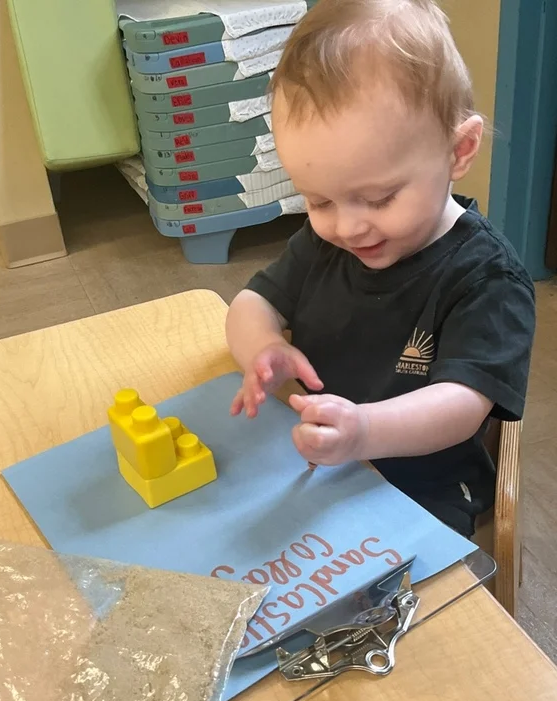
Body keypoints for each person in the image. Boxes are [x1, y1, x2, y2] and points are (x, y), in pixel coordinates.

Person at [224, 0, 536, 537]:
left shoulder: (487, 278)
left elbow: (462, 405)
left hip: (423, 485)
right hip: (315, 458)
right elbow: (252, 304)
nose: (347, 228)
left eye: (379, 197)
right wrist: (263, 347)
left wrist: (364, 431)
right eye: (318, 201)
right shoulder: (328, 244)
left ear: (458, 151)